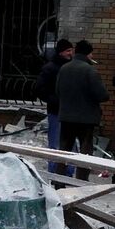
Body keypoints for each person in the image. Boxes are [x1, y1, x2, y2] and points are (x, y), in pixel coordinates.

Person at [54, 40, 108, 180]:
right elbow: (102, 95)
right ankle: (81, 181)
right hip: (86, 119)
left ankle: (59, 180)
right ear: (88, 53)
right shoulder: (90, 70)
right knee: (85, 152)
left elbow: (57, 91)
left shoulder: (64, 68)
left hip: (66, 116)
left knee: (64, 151)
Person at [34, 38, 72, 168]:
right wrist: (54, 100)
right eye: (68, 51)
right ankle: (54, 171)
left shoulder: (70, 66)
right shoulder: (50, 68)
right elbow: (39, 88)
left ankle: (68, 172)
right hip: (56, 111)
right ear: (61, 52)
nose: (70, 53)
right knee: (55, 144)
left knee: (70, 145)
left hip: (69, 112)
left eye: (71, 50)